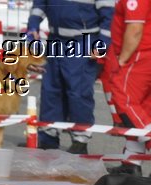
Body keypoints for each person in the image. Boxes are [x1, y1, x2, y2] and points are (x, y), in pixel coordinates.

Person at [25, 0, 111, 153]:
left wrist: (102, 44)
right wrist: (32, 25)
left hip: (83, 42)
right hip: (55, 40)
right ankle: (48, 138)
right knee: (50, 91)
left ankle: (80, 141)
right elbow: (40, 5)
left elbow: (109, 14)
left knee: (78, 93)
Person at [102, 0, 151, 132]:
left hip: (143, 54)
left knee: (122, 98)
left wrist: (122, 59)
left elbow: (135, 29)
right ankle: (134, 149)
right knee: (141, 110)